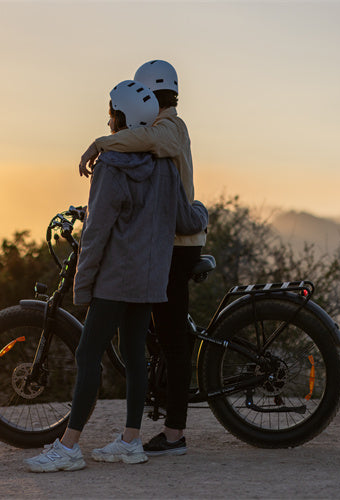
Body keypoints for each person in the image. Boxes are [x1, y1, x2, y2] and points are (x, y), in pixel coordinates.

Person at [24, 80, 208, 473]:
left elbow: (96, 232)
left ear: (118, 117)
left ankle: (69, 446)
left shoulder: (109, 165)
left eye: (110, 111)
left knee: (88, 354)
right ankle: (130, 440)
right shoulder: (163, 167)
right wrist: (203, 214)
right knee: (134, 356)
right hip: (148, 280)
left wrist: (84, 283)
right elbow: (184, 218)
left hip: (114, 277)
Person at [79, 60, 204, 456]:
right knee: (149, 338)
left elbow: (143, 141)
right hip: (171, 236)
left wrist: (101, 143)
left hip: (177, 242)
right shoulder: (162, 127)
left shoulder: (167, 129)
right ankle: (142, 426)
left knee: (171, 341)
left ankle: (174, 434)